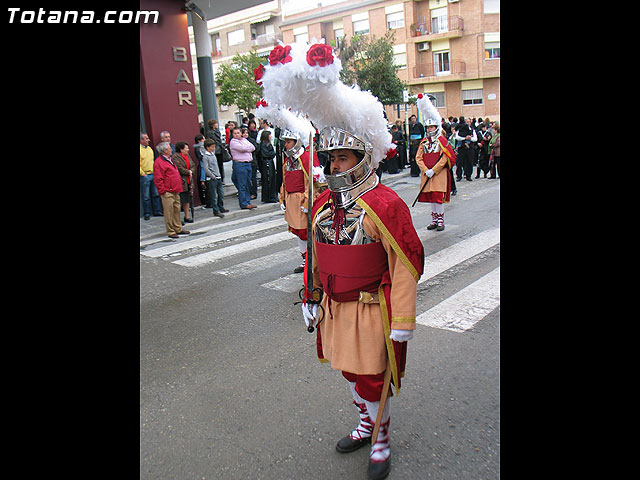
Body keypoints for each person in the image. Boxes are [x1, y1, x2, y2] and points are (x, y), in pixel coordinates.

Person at [259, 41, 424, 480]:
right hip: (333, 306)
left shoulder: (386, 204)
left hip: (371, 307)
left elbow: (405, 262)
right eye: (330, 157)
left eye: (343, 157)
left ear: (362, 157)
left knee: (373, 376)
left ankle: (381, 438)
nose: (334, 164)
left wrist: (403, 317)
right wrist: (310, 295)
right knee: (350, 373)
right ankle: (366, 422)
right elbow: (313, 256)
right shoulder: (320, 205)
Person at [414, 94, 456, 231]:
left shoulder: (441, 141)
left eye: (432, 127)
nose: (429, 130)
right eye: (428, 128)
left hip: (438, 174)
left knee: (438, 197)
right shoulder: (424, 142)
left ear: (436, 127)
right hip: (427, 173)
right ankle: (433, 220)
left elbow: (446, 157)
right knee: (431, 198)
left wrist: (434, 170)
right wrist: (425, 169)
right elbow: (418, 157)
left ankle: (440, 221)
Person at [153, 142, 190, 239]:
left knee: (176, 210)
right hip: (167, 191)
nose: (171, 149)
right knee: (169, 212)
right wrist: (163, 190)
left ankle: (178, 228)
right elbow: (158, 178)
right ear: (164, 150)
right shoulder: (159, 162)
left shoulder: (170, 159)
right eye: (169, 148)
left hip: (175, 189)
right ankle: (170, 231)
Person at [229, 126, 256, 209]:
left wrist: (247, 148)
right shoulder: (233, 142)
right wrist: (247, 149)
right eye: (235, 133)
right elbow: (242, 149)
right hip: (240, 164)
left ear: (241, 133)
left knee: (248, 183)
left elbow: (253, 147)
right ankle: (244, 203)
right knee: (242, 184)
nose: (237, 135)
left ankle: (247, 201)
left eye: (238, 133)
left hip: (248, 163)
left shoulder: (244, 140)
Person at [201, 139, 226, 218]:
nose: (213, 148)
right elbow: (206, 168)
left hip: (218, 176)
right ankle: (216, 210)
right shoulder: (205, 157)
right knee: (213, 195)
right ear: (207, 147)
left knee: (221, 193)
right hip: (212, 178)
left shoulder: (213, 154)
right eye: (212, 147)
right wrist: (212, 176)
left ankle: (221, 207)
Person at [140, 132, 162, 220]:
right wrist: (143, 174)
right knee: (146, 196)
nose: (148, 140)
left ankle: (157, 211)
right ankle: (147, 213)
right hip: (145, 175)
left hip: (153, 174)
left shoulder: (149, 149)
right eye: (146, 138)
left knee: (156, 194)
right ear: (141, 140)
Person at [172, 142, 195, 224]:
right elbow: (179, 168)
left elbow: (192, 164)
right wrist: (188, 172)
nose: (188, 150)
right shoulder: (175, 157)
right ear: (181, 149)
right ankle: (178, 218)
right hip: (182, 181)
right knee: (180, 200)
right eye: (186, 148)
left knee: (187, 199)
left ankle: (187, 216)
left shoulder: (187, 156)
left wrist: (191, 171)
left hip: (189, 180)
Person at [455, 116, 476, 181]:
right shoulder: (460, 129)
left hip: (469, 148)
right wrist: (465, 138)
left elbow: (475, 139)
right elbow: (457, 137)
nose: (467, 123)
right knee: (459, 162)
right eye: (466, 122)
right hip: (462, 147)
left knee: (469, 161)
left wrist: (470, 138)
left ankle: (468, 175)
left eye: (469, 122)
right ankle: (459, 176)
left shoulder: (472, 130)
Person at [259, 130, 278, 203]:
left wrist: (271, 154)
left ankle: (272, 196)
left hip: (270, 162)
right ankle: (269, 197)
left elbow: (273, 153)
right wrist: (271, 154)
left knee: (272, 178)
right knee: (268, 179)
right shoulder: (263, 144)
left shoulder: (269, 144)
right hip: (266, 163)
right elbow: (266, 154)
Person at [206, 119, 226, 184]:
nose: (217, 125)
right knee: (216, 164)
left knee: (220, 165)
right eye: (216, 123)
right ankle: (219, 178)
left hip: (219, 150)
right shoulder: (210, 133)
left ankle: (222, 178)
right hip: (216, 150)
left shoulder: (217, 132)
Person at [244, 127, 259, 200]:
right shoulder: (240, 141)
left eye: (246, 133)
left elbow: (255, 149)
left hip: (252, 162)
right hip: (245, 162)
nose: (245, 134)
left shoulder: (251, 140)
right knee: (247, 179)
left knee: (253, 178)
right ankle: (248, 192)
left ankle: (254, 193)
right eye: (243, 133)